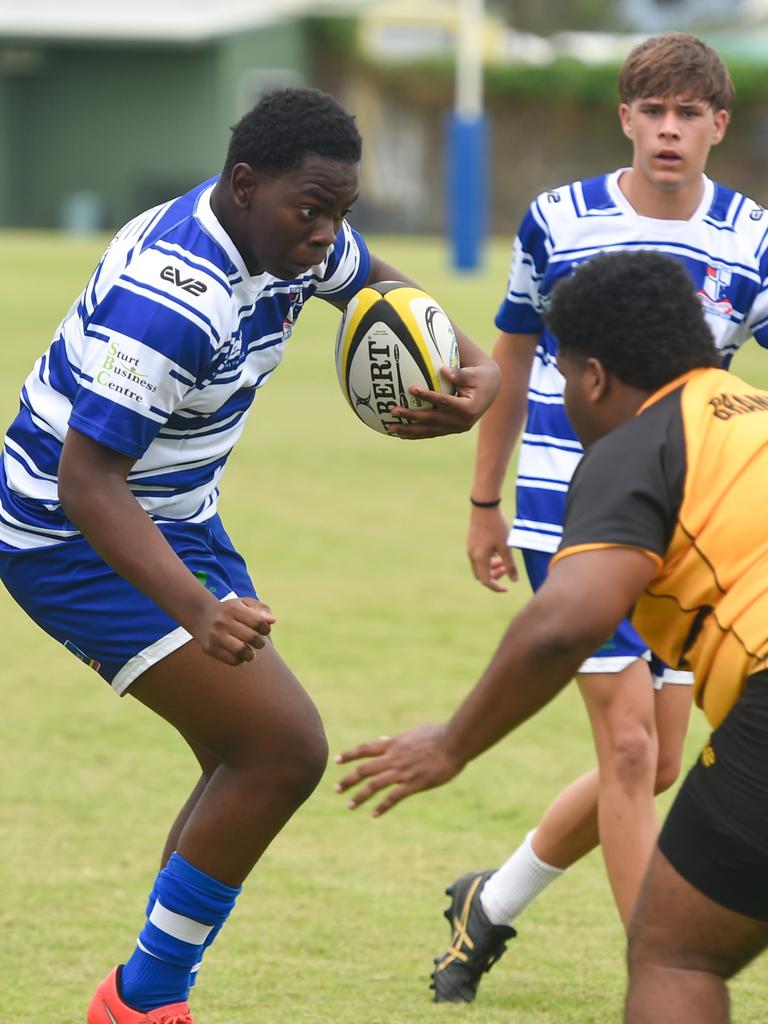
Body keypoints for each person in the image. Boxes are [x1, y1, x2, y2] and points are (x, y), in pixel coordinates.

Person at [0, 87, 499, 1024]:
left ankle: (143, 998)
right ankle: (143, 1001)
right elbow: (86, 483)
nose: (327, 235)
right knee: (281, 749)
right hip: (67, 533)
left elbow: (374, 281)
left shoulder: (290, 232)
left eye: (341, 213)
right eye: (312, 211)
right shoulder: (175, 296)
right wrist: (197, 608)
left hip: (175, 512)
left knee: (243, 752)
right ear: (242, 185)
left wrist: (479, 364)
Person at [336, 249, 768, 1024]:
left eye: (562, 378)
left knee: (675, 951)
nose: (565, 398)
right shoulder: (747, 408)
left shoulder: (636, 447)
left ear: (595, 377)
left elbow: (563, 624)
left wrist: (452, 743)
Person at [425, 31, 768, 1003]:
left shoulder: (751, 236)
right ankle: (658, 959)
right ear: (625, 118)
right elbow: (513, 352)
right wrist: (485, 500)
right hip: (563, 507)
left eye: (687, 113)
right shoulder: (558, 219)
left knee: (657, 761)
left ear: (717, 126)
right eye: (651, 111)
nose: (668, 130)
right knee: (625, 749)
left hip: (684, 529)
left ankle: (489, 901)